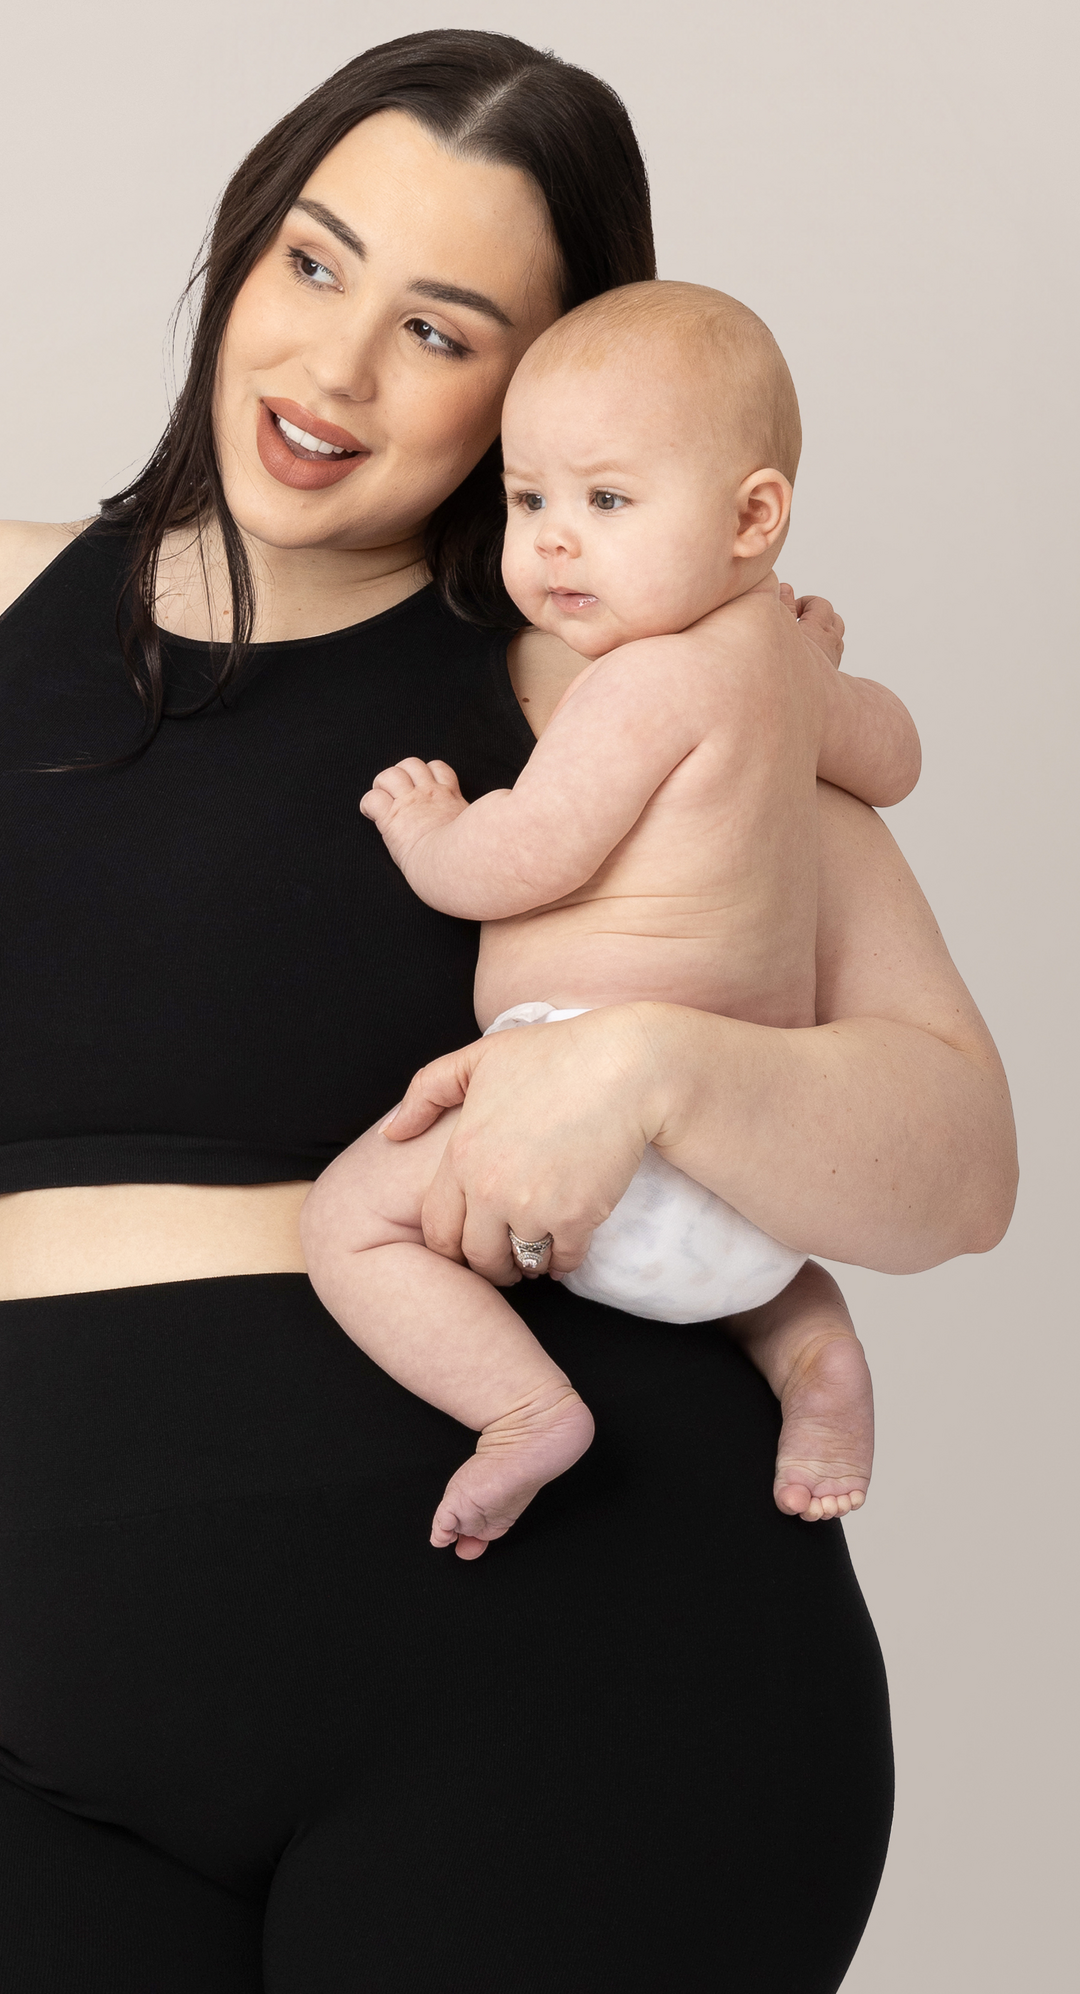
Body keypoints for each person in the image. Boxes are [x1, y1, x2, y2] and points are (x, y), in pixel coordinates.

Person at [0, 29, 1016, 1994]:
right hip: (60, 1746)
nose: (336, 367)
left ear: (539, 391)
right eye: (314, 262)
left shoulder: (612, 683)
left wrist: (653, 1067)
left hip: (572, 1688)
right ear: (242, 247)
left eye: (441, 330)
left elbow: (960, 1159)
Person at [304, 279, 914, 1555]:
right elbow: (896, 756)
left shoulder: (642, 682)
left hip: (594, 1136)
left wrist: (429, 829)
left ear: (752, 517)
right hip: (755, 1173)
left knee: (350, 1221)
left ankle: (524, 1408)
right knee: (767, 1282)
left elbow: (520, 858)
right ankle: (812, 1347)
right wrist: (819, 670)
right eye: (530, 500)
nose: (554, 543)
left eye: (607, 502)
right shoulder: (781, 667)